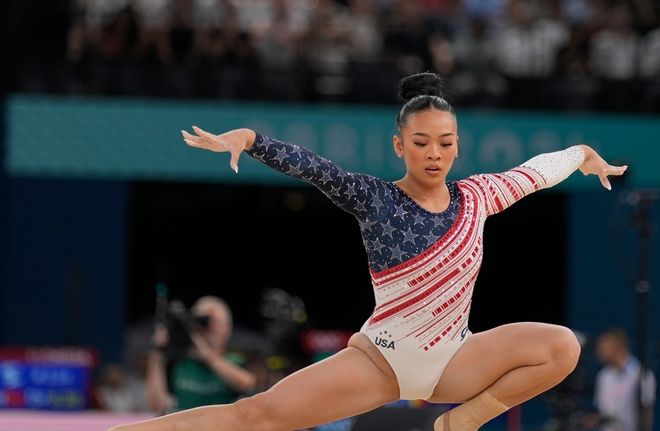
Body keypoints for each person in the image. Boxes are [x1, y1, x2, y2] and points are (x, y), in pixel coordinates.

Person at [111, 72, 627, 431]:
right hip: (380, 361)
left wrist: (582, 155)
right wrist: (249, 139)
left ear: (457, 145)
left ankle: (462, 421)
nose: (435, 154)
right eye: (421, 142)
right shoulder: (375, 198)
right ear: (399, 145)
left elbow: (537, 172)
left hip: (454, 361)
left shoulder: (478, 196)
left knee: (562, 346)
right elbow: (316, 168)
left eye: (446, 143)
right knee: (254, 417)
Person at [146, 295, 258, 414]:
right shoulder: (180, 362)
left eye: (215, 323)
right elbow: (157, 405)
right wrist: (157, 353)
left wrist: (207, 356)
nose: (208, 329)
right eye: (203, 322)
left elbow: (248, 384)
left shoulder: (235, 360)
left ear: (227, 330)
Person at [593, 328, 656, 431]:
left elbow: (647, 410)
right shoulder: (603, 376)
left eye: (604, 346)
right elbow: (603, 411)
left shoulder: (642, 374)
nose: (599, 351)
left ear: (618, 346)